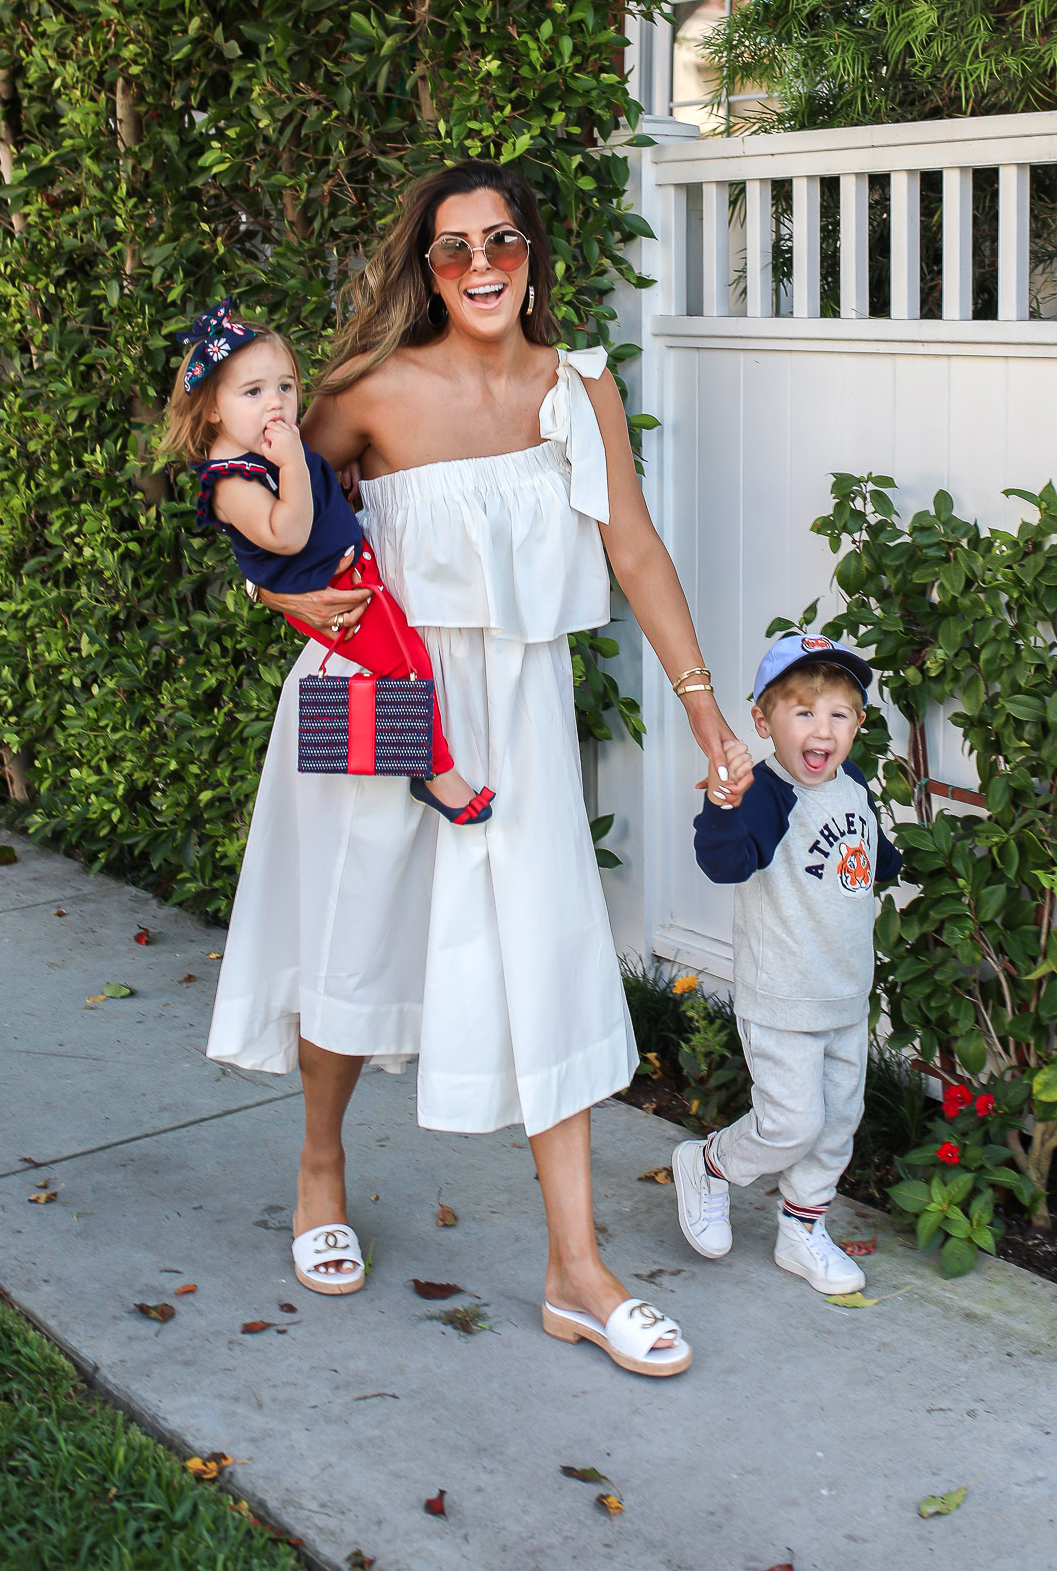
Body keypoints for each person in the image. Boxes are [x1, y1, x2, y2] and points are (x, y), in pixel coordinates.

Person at [205, 160, 753, 1374]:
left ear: (533, 254)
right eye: (453, 248)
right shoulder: (367, 393)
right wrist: (281, 587)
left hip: (516, 706)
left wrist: (708, 714)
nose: (481, 264)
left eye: (502, 239)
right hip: (382, 700)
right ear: (427, 269)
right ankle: (320, 1165)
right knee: (358, 935)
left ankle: (577, 1271)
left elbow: (636, 551)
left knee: (549, 955)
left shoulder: (580, 390)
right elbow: (253, 486)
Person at [160, 302, 493, 827]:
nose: (275, 404)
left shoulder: (271, 452)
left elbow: (310, 493)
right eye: (253, 392)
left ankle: (404, 756)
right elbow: (288, 535)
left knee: (406, 660)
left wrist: (327, 474)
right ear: (211, 409)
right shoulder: (230, 481)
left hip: (351, 571)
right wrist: (296, 462)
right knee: (407, 667)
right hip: (331, 592)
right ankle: (435, 773)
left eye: (285, 387)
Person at [671, 632, 902, 1296]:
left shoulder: (852, 783)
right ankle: (711, 1165)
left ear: (858, 724)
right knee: (790, 1123)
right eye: (802, 713)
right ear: (763, 721)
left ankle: (802, 1231)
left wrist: (896, 863)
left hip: (843, 994)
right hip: (781, 996)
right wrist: (723, 802)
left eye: (838, 713)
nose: (821, 729)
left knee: (835, 1125)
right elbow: (725, 862)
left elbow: (866, 850)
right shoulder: (766, 795)